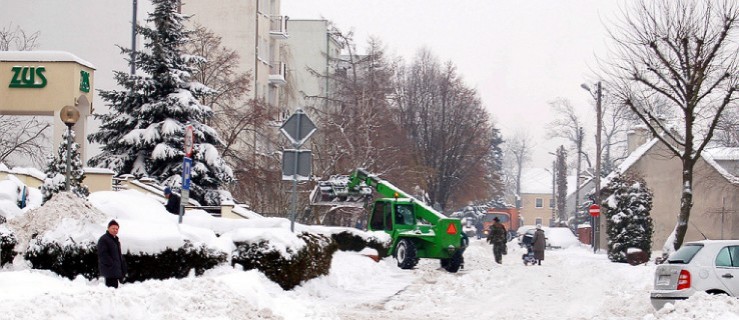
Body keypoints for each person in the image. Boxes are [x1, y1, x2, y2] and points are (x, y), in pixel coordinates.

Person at [97, 219, 127, 288]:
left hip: (115, 271)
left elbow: (118, 255)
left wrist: (123, 265)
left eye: (117, 229)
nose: (115, 230)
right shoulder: (104, 239)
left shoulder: (115, 240)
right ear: (108, 228)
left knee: (114, 291)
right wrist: (112, 263)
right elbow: (103, 254)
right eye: (113, 228)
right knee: (110, 291)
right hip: (109, 271)